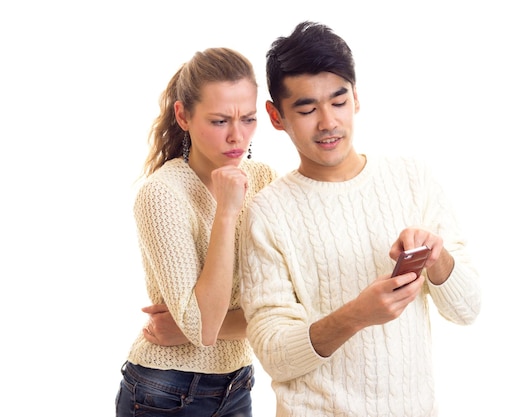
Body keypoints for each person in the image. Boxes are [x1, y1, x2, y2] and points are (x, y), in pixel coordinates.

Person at [145, 21, 481, 417]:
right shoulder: (267, 209)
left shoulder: (413, 179)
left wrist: (438, 259)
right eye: (306, 109)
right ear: (276, 116)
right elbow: (274, 353)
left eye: (338, 102)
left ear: (356, 98)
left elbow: (468, 308)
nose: (328, 123)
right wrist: (355, 315)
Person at [114, 47, 277, 417]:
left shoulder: (264, 179)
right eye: (220, 121)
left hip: (238, 384)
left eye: (248, 119)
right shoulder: (162, 194)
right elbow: (203, 326)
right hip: (165, 392)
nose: (238, 136)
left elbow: (293, 304)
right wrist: (226, 212)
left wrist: (201, 327)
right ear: (183, 115)